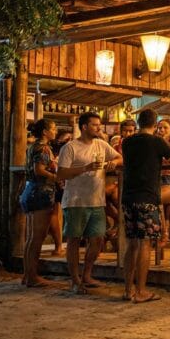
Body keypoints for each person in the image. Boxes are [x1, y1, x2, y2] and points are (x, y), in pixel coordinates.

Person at [121, 109, 170, 303]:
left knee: (132, 244)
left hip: (128, 195)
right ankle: (141, 291)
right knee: (145, 243)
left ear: (139, 122)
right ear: (155, 124)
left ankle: (127, 290)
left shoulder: (127, 142)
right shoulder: (157, 142)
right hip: (147, 196)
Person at [56, 112, 122, 293]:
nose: (98, 128)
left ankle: (87, 274)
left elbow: (119, 157)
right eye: (94, 125)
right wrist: (85, 168)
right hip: (76, 201)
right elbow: (61, 174)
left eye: (98, 125)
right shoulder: (70, 148)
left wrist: (114, 163)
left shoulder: (101, 144)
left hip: (97, 200)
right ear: (84, 127)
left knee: (97, 239)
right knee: (74, 241)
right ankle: (75, 280)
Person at [19, 119, 60, 287]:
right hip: (41, 192)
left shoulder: (32, 146)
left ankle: (28, 274)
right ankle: (32, 276)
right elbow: (39, 170)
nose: (55, 131)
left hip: (30, 190)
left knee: (31, 238)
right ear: (45, 132)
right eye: (53, 128)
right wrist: (56, 177)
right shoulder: (43, 148)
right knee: (37, 237)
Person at [47, 128, 73, 256]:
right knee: (54, 214)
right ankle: (59, 246)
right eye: (67, 139)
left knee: (57, 214)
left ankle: (60, 246)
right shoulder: (55, 150)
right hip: (59, 184)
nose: (70, 141)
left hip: (62, 184)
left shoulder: (58, 149)